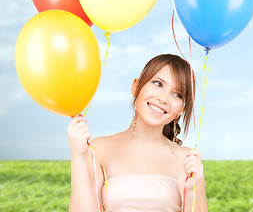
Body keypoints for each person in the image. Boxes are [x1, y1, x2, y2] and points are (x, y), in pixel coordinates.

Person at [67, 54, 208, 212]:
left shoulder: (188, 160)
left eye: (177, 94)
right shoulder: (99, 150)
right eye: (158, 83)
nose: (163, 98)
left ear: (180, 110)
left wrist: (191, 193)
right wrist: (78, 158)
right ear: (136, 87)